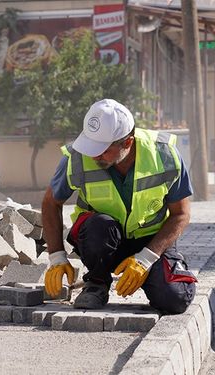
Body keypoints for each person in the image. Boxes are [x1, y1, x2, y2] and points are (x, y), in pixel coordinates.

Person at [42, 99, 197, 314]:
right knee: (98, 226)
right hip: (102, 239)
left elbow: (181, 214)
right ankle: (97, 282)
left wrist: (145, 259)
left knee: (175, 299)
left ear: (127, 143)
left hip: (150, 242)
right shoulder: (77, 157)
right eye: (91, 146)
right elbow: (51, 203)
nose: (94, 155)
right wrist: (57, 257)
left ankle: (148, 276)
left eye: (103, 150)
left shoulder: (164, 155)